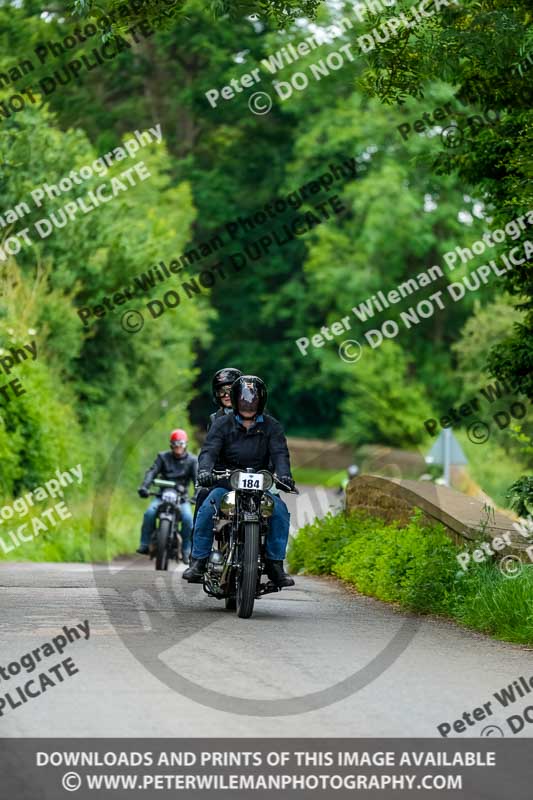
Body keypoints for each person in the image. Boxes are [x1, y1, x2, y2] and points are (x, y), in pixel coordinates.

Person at [183, 375, 295, 588]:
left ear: (261, 400)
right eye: (243, 400)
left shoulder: (273, 427)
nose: (248, 405)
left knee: (280, 511)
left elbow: (280, 454)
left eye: (252, 400)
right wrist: (205, 470)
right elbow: (208, 451)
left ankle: (275, 564)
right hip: (226, 481)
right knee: (207, 508)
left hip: (261, 482)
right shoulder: (221, 424)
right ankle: (198, 560)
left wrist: (285, 475)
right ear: (235, 400)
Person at [136, 429, 197, 560]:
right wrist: (144, 487)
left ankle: (186, 550)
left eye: (181, 443)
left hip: (181, 498)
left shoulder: (192, 461)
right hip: (162, 495)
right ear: (171, 444)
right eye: (175, 443)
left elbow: (197, 480)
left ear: (185, 444)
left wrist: (197, 494)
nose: (178, 446)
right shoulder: (162, 457)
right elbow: (151, 472)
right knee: (149, 513)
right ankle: (145, 544)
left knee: (188, 519)